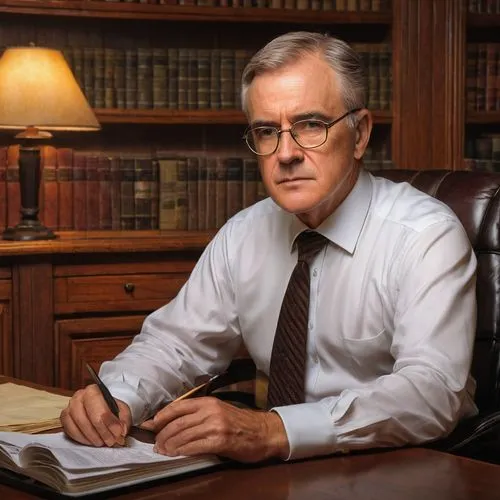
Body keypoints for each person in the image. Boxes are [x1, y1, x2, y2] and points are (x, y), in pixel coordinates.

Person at [61, 31, 478, 462]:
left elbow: (433, 390)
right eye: (266, 131)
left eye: (311, 125)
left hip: (397, 467)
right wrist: (118, 396)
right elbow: (177, 344)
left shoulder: (425, 235)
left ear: (359, 134)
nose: (286, 153)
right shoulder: (244, 233)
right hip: (272, 474)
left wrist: (275, 429)